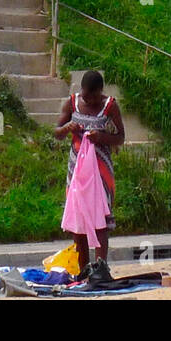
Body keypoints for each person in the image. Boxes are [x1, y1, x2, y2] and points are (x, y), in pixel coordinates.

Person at [54, 70, 126, 279]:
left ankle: (101, 266)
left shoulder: (110, 106)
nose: (90, 100)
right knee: (79, 216)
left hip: (101, 170)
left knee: (100, 217)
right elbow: (56, 132)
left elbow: (120, 137)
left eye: (94, 96)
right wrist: (67, 127)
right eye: (87, 95)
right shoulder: (72, 103)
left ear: (101, 92)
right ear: (82, 90)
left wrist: (102, 137)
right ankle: (83, 267)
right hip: (77, 169)